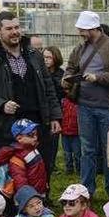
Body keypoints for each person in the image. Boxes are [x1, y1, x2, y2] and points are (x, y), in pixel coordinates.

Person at [0, 11, 62, 186]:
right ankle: (12, 209)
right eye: (9, 28)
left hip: (38, 124)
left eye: (17, 27)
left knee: (42, 166)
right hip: (7, 128)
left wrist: (54, 116)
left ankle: (40, 204)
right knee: (10, 172)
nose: (15, 32)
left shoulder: (34, 55)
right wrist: (1, 105)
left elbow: (48, 87)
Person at [61, 11, 109, 198]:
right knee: (87, 149)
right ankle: (87, 190)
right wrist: (66, 78)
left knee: (108, 149)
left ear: (93, 28)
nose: (80, 32)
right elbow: (71, 67)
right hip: (84, 106)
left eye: (83, 29)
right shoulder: (79, 49)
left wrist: (99, 78)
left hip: (106, 107)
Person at [0, 119, 48, 197]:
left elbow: (40, 170)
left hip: (39, 191)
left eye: (36, 133)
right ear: (19, 138)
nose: (35, 137)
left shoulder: (32, 148)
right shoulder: (17, 159)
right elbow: (20, 181)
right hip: (28, 198)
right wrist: (27, 197)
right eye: (31, 135)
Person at [43, 45, 66, 173]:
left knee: (53, 139)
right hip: (43, 109)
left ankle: (51, 164)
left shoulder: (61, 74)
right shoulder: (40, 72)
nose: (46, 60)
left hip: (56, 110)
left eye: (49, 57)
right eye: (44, 57)